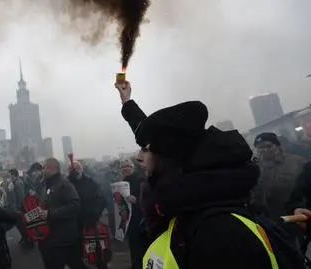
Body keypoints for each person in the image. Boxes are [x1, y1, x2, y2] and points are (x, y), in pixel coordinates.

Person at [115, 81, 278, 269]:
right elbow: (157, 135)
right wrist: (127, 102)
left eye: (144, 149)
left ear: (166, 157)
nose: (138, 157)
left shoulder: (219, 232)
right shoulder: (187, 203)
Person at [37, 158, 88, 269]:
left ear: (52, 168)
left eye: (45, 168)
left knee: (76, 264)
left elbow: (75, 206)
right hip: (52, 239)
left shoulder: (64, 184)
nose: (43, 171)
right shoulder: (47, 185)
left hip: (64, 240)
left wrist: (50, 213)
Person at [252, 132, 306, 217]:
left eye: (269, 146)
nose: (265, 150)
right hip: (269, 217)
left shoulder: (296, 162)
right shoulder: (254, 168)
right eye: (260, 147)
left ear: (277, 146)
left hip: (296, 213)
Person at [68, 161, 107, 269]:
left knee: (95, 247)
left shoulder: (91, 182)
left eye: (77, 168)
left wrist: (94, 213)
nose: (75, 171)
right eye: (72, 169)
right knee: (76, 250)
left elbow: (101, 199)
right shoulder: (67, 184)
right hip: (74, 223)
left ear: (82, 169)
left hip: (90, 220)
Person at [120, 160, 145, 269]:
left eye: (127, 166)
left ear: (132, 167)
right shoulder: (123, 182)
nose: (125, 169)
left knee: (141, 244)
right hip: (129, 218)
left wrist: (137, 200)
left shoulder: (140, 180)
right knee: (133, 244)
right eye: (123, 167)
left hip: (140, 217)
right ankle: (135, 264)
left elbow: (146, 197)